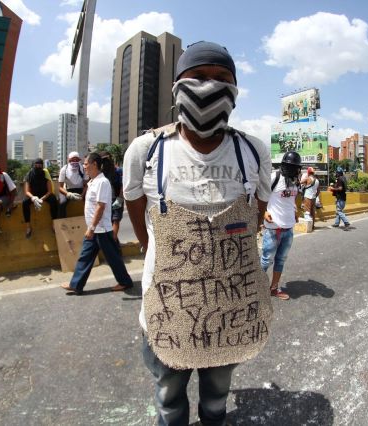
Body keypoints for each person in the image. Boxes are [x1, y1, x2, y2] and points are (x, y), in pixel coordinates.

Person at [123, 41, 272, 426]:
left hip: (232, 311)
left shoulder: (253, 151)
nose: (210, 87)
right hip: (167, 310)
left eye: (222, 79)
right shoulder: (146, 150)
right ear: (177, 87)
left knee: (217, 401)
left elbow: (255, 218)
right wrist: (155, 246)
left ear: (236, 91)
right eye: (198, 77)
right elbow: (137, 212)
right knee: (168, 400)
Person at [60, 153, 133, 294]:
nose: (84, 166)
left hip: (101, 229)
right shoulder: (93, 181)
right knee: (85, 257)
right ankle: (76, 284)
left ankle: (125, 282)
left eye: (86, 164)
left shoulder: (102, 182)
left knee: (113, 258)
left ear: (94, 164)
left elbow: (101, 207)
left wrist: (92, 227)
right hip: (94, 229)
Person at [262, 151, 303, 301]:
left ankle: (274, 288)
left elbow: (292, 199)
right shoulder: (274, 177)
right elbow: (258, 194)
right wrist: (263, 212)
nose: (293, 170)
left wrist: (294, 210)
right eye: (290, 166)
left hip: (288, 228)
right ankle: (255, 288)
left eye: (295, 167)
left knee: (280, 260)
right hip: (273, 229)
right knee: (266, 260)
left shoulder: (295, 181)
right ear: (284, 165)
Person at [22, 158, 58, 238]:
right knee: (24, 202)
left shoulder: (45, 173)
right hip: (33, 195)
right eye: (36, 165)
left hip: (44, 194)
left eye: (40, 165)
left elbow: (50, 191)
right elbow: (27, 191)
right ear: (33, 165)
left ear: (42, 166)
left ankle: (54, 223)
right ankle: (28, 226)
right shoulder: (29, 174)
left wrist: (41, 199)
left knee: (53, 199)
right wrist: (34, 198)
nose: (38, 166)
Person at [99, 151, 125, 242]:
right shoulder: (100, 173)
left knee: (114, 220)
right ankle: (113, 242)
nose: (106, 162)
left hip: (115, 198)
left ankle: (113, 241)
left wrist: (120, 198)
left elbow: (123, 185)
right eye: (104, 160)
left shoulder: (118, 171)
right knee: (112, 221)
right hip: (106, 200)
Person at [57, 151, 86, 218]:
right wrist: (67, 194)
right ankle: (62, 222)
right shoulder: (64, 169)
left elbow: (86, 185)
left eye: (76, 160)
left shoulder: (83, 169)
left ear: (79, 160)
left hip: (81, 190)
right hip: (68, 190)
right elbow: (60, 187)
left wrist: (82, 195)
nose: (75, 161)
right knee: (62, 203)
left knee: (91, 200)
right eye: (72, 160)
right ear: (69, 160)